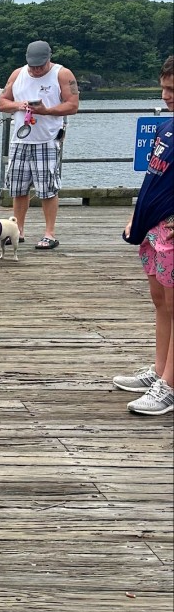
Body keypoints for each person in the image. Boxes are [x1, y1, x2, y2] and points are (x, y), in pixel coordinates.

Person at [113, 56, 174, 417]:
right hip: (154, 229)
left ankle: (170, 384)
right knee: (160, 301)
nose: (167, 96)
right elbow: (153, 179)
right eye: (164, 88)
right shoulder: (167, 129)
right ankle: (160, 368)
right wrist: (137, 218)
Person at [0, 40, 80, 250]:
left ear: (49, 59)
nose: (36, 70)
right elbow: (2, 103)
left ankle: (49, 233)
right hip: (20, 139)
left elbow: (73, 105)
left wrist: (46, 110)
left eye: (40, 66)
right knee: (18, 188)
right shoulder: (18, 74)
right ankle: (18, 231)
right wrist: (20, 105)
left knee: (47, 189)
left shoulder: (62, 74)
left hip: (47, 139)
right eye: (32, 65)